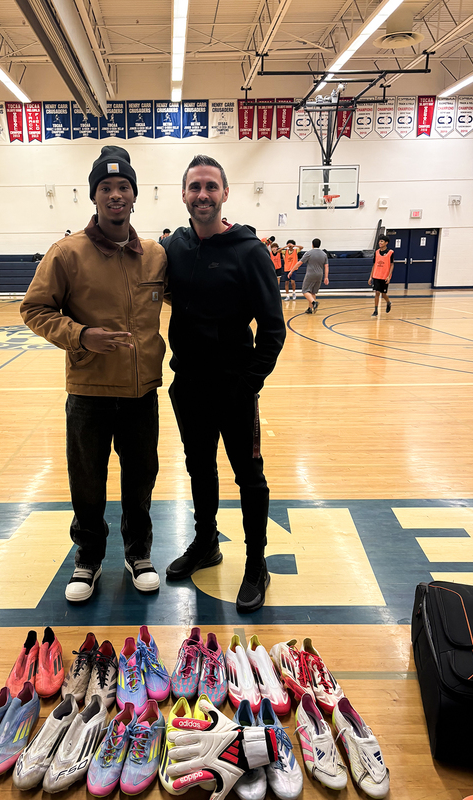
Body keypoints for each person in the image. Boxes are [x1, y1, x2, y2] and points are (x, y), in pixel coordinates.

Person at [21, 146, 167, 603]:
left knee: (141, 476)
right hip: (89, 392)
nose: (115, 195)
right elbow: (34, 309)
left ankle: (138, 553)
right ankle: (88, 558)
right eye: (106, 188)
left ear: (134, 195)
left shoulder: (157, 255)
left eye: (123, 187)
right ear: (94, 197)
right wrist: (82, 336)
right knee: (86, 478)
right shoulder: (67, 253)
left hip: (141, 392)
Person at [162, 154, 286, 613]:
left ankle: (257, 563)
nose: (202, 195)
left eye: (211, 187)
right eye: (195, 187)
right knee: (200, 468)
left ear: (225, 193)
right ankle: (206, 544)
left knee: (249, 478)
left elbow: (273, 328)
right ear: (184, 195)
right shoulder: (175, 247)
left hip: (235, 389)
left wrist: (249, 382)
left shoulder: (249, 251)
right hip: (188, 387)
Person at [288, 237, 329, 314]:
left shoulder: (309, 253)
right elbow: (326, 266)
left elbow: (299, 263)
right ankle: (310, 309)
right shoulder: (324, 254)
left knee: (305, 291)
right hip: (320, 275)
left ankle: (314, 303)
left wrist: (291, 271)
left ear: (312, 245)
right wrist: (326, 277)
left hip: (311, 274)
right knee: (313, 292)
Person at [369, 235, 394, 316]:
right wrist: (370, 277)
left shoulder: (390, 253)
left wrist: (389, 276)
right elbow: (374, 265)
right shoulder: (376, 252)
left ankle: (388, 302)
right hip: (376, 275)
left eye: (382, 241)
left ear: (386, 243)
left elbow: (392, 265)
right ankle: (375, 310)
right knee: (377, 292)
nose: (380, 242)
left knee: (383, 294)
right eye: (379, 241)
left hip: (384, 276)